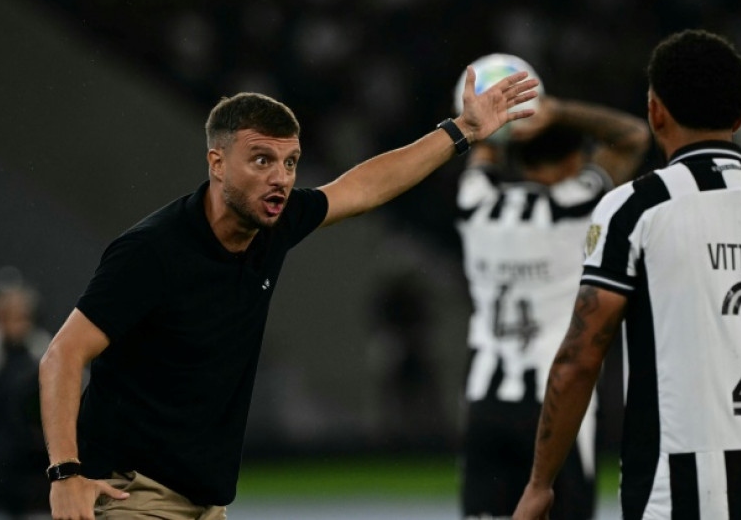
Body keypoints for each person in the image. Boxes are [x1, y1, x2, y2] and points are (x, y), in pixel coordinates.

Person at [39, 67, 539, 519]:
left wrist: (463, 131)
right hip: (134, 495)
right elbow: (63, 354)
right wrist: (65, 475)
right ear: (217, 163)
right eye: (261, 160)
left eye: (291, 162)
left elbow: (363, 187)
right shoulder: (151, 252)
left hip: (204, 503)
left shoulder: (272, 224)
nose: (280, 179)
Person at [514, 29, 741, 520]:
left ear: (655, 111)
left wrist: (540, 484)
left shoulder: (634, 208)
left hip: (674, 488)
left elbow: (581, 357)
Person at [455, 55, 651, 519]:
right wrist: (556, 111)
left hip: (485, 401)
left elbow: (481, 148)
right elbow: (632, 137)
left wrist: (493, 124)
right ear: (572, 160)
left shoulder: (475, 202)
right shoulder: (575, 205)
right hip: (557, 406)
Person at [0, 271, 52, 517]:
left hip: (30, 488)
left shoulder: (42, 357)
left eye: (21, 316)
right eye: (3, 316)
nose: (13, 325)